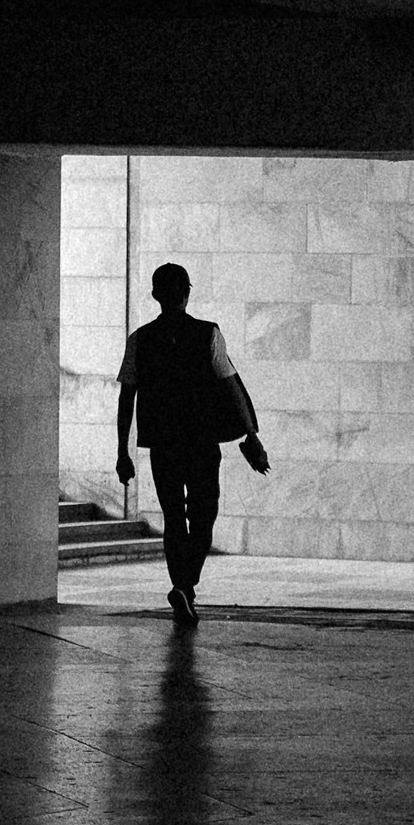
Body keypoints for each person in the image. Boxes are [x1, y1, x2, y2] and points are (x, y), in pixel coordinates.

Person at [115, 264, 269, 625]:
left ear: (155, 295)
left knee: (173, 518)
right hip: (201, 442)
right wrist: (251, 436)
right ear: (188, 292)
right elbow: (231, 387)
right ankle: (186, 585)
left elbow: (127, 399)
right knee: (203, 516)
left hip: (163, 446)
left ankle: (181, 585)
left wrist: (123, 451)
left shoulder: (140, 340)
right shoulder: (208, 334)